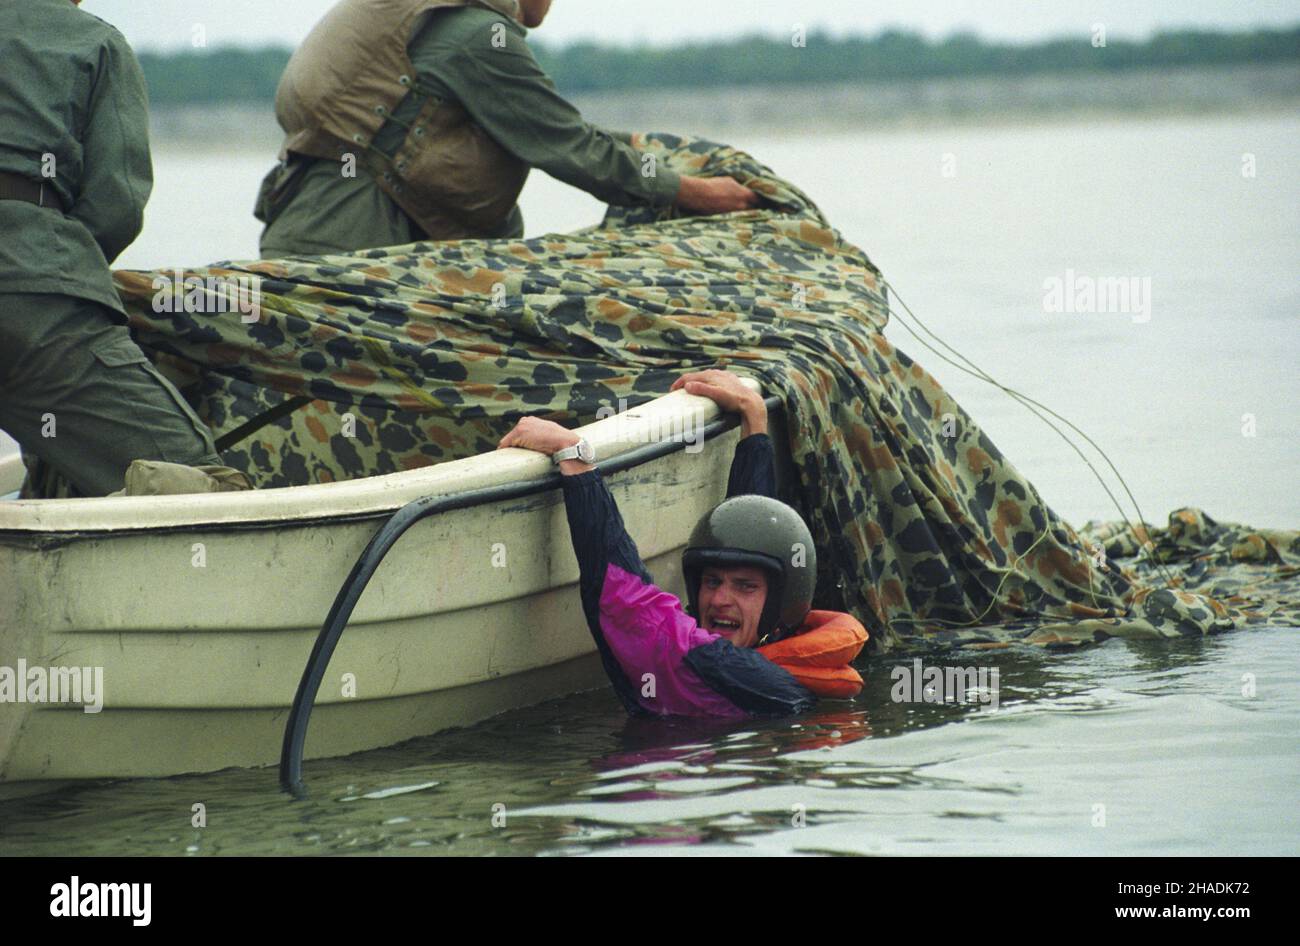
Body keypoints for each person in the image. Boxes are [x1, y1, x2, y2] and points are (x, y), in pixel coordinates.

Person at [497, 369, 869, 718]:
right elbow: (748, 533)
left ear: (781, 605)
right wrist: (754, 425)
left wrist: (576, 458)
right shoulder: (770, 662)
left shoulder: (748, 679)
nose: (720, 599)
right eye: (711, 581)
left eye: (745, 586)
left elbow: (631, 611)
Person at [255, 0, 759, 256]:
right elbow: (568, 146)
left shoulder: (449, 20)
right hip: (348, 245)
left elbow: (550, 126)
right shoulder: (478, 36)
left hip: (314, 234)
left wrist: (641, 147)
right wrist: (698, 192)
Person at [0, 0, 241, 498]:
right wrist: (60, 266)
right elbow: (116, 205)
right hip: (35, 306)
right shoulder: (95, 43)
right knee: (200, 488)